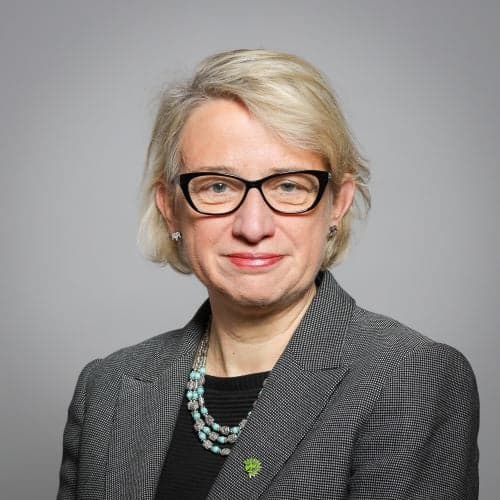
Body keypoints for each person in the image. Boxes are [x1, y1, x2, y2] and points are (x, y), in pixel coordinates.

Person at [57, 49, 479, 500]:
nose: (253, 226)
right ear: (170, 208)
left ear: (338, 203)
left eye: (289, 186)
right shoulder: (108, 389)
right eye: (217, 186)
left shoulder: (408, 378)